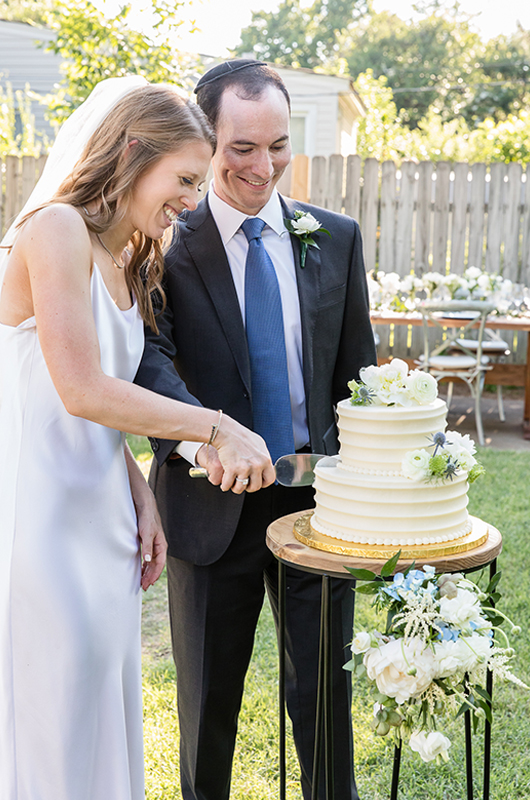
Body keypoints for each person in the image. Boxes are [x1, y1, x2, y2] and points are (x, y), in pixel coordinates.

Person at [0, 76, 274, 800]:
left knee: (100, 706)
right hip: (43, 523)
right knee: (54, 715)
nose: (192, 197)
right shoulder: (54, 228)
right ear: (131, 152)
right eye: (184, 178)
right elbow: (80, 390)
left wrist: (140, 497)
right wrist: (216, 425)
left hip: (104, 521)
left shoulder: (127, 258)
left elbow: (92, 412)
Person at [135, 60, 377, 800]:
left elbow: (356, 378)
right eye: (241, 147)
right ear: (203, 142)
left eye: (277, 145)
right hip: (211, 507)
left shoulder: (333, 238)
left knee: (324, 698)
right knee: (209, 703)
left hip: (316, 507)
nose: (262, 165)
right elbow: (149, 363)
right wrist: (202, 439)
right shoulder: (162, 245)